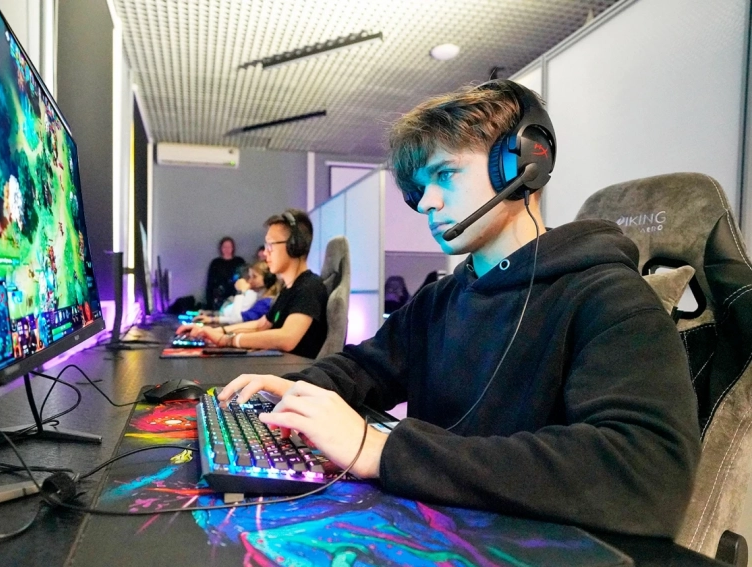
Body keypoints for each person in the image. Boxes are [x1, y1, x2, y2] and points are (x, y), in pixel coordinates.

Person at [219, 80, 701, 537]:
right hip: (432, 529)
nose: (426, 202)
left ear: (522, 165)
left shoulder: (609, 296)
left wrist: (381, 451)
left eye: (445, 173)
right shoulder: (439, 300)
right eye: (419, 187)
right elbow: (365, 367)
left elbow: (647, 471)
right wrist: (300, 390)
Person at [191, 209, 328, 359]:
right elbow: (260, 325)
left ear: (293, 246)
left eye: (270, 245)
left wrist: (229, 340)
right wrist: (217, 332)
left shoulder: (310, 287)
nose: (265, 253)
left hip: (295, 371)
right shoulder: (288, 289)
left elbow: (287, 338)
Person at [177, 261, 281, 329]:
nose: (249, 280)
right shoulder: (261, 299)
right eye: (249, 276)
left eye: (254, 277)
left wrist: (240, 292)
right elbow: (239, 318)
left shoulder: (265, 303)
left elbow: (236, 320)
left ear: (267, 280)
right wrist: (212, 319)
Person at [205, 236, 246, 310]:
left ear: (233, 248)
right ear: (221, 248)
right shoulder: (215, 263)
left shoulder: (239, 261)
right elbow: (210, 283)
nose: (227, 249)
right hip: (219, 298)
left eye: (229, 247)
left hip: (236, 296)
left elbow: (244, 278)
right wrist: (209, 302)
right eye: (224, 247)